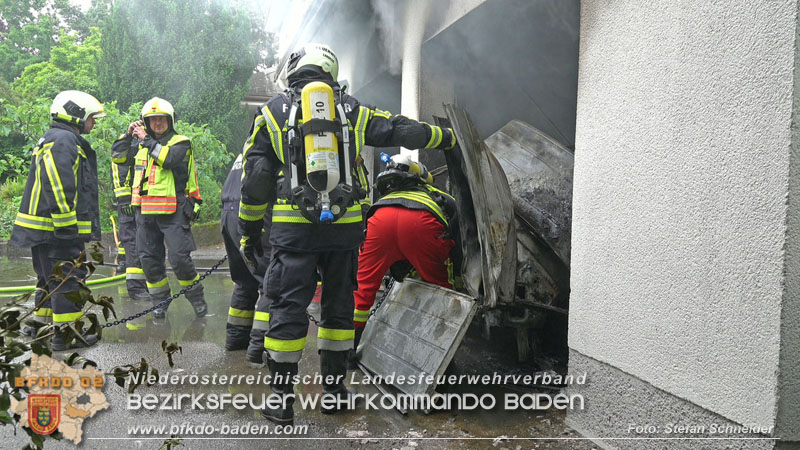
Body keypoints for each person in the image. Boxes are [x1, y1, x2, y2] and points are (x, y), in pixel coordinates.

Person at [239, 43, 457, 425]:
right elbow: (398, 129)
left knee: (288, 308)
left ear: (294, 69)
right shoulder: (352, 110)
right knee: (339, 307)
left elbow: (255, 180)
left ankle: (280, 400)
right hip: (344, 230)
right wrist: (445, 138)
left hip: (294, 233)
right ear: (330, 69)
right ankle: (336, 393)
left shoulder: (272, 113)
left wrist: (250, 229)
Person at [10, 90, 105, 351]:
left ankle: (40, 327)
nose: (93, 123)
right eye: (91, 118)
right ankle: (67, 335)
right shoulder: (64, 140)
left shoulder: (56, 138)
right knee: (67, 278)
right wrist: (66, 225)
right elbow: (59, 183)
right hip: (57, 230)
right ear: (76, 114)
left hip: (44, 230)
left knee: (48, 278)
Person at [351, 154, 460, 350]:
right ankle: (440, 349)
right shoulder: (436, 194)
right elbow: (456, 238)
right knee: (442, 287)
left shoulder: (387, 196)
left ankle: (349, 350)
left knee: (363, 288)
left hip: (380, 220)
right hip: (421, 222)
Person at [111, 97, 206, 320]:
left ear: (169, 121)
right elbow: (117, 157)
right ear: (146, 122)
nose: (157, 124)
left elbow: (168, 159)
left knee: (180, 260)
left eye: (161, 119)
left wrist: (145, 139)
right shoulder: (139, 144)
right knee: (149, 261)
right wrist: (128, 135)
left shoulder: (181, 142)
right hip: (144, 213)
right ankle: (160, 303)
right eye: (152, 120)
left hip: (174, 211)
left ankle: (197, 300)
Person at [221, 151, 272, 356]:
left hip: (228, 213)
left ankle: (236, 340)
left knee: (244, 280)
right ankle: (259, 348)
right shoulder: (271, 140)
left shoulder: (251, 146)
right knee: (269, 281)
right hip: (251, 212)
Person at [111, 157, 149, 300]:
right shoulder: (126, 143)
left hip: (144, 200)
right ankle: (136, 287)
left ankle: (144, 284)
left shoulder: (147, 141)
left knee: (144, 242)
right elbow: (118, 169)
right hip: (129, 202)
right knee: (131, 241)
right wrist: (124, 198)